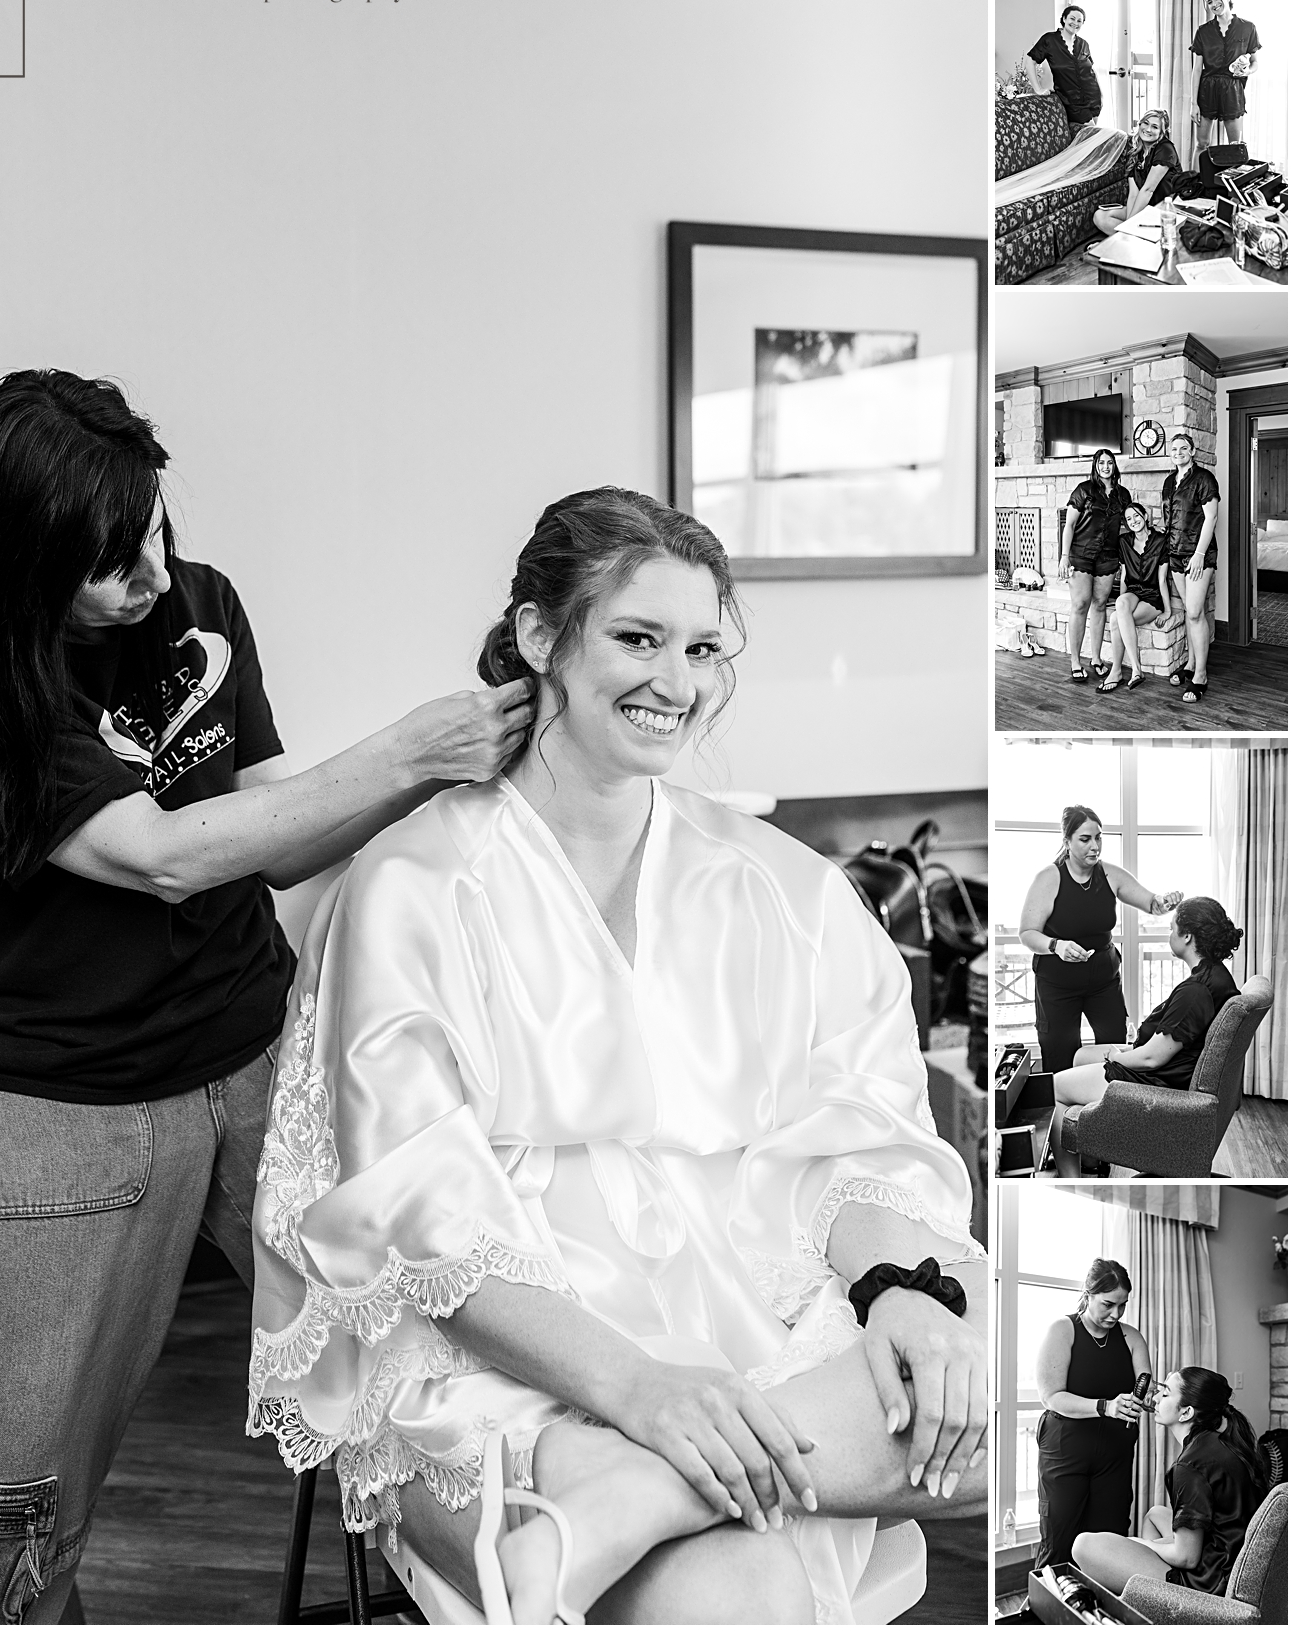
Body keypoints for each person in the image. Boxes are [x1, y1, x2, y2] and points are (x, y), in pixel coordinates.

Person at [247, 487, 987, 1624]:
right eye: (638, 638)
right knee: (745, 1586)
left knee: (977, 1397)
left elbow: (861, 1125)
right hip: (510, 1341)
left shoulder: (781, 887)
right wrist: (639, 1389)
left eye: (701, 647)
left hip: (749, 1296)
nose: (678, 683)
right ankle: (635, 1481)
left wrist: (901, 1289)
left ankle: (636, 1497)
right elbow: (421, 1223)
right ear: (542, 635)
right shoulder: (414, 886)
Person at [0, 370, 533, 1622]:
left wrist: (444, 789)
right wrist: (412, 748)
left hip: (255, 1055)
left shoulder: (198, 607)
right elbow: (165, 854)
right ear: (16, 569)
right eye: (115, 565)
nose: (159, 578)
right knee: (9, 1489)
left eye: (159, 531)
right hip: (60, 1107)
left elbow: (273, 832)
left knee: (427, 1349)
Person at [1048, 898, 1242, 1176]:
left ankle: (1072, 1179)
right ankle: (1090, 1156)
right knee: (1080, 1056)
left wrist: (1118, 1057)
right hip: (1171, 1070)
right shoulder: (1217, 976)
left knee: (1053, 1087)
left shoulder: (1196, 992)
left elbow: (1152, 1058)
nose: (1169, 934)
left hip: (1156, 1082)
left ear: (1187, 936)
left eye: (1172, 928)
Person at [1073, 1367, 1270, 1600]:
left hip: (1209, 1583)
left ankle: (1166, 1602)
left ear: (1186, 1413)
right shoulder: (1222, 1444)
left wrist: (1143, 1544)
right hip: (1228, 1557)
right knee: (1155, 1514)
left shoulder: (1190, 1466)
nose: (1155, 1398)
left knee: (1083, 1545)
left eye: (1165, 1394)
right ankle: (1149, 1602)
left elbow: (1186, 1557)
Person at [1017, 806, 1182, 1075]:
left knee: (1116, 1048)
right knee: (1060, 1055)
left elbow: (1152, 904)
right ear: (1067, 841)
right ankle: (1065, 1113)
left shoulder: (1110, 874)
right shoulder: (1049, 878)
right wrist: (1056, 946)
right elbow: (1027, 933)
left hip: (1103, 982)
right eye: (1085, 839)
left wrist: (1166, 902)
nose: (1095, 846)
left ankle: (1110, 1110)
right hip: (1058, 985)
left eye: (1099, 837)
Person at [1034, 1259, 1150, 1573]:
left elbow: (1144, 1383)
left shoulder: (1131, 1338)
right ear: (1089, 1294)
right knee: (1059, 1539)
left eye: (1122, 1306)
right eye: (1108, 1304)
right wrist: (1106, 1406)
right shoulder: (1063, 1330)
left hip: (1115, 1453)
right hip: (1066, 1448)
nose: (1115, 1314)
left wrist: (1147, 1399)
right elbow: (1052, 1397)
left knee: (1110, 1541)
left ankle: (1100, 1615)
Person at [1058, 450, 1133, 684]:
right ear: (1095, 465)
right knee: (1080, 605)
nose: (1106, 466)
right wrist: (1063, 556)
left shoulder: (1123, 495)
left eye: (1110, 462)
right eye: (1101, 463)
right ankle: (1075, 661)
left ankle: (1097, 659)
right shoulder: (1084, 490)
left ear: (1115, 466)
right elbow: (1069, 525)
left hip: (1108, 558)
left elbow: (1130, 522)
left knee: (1100, 605)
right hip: (1080, 555)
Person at [1161, 433, 1220, 704]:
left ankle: (1201, 676)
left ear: (1193, 451)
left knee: (1196, 613)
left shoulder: (1204, 479)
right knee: (1188, 612)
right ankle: (1190, 664)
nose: (1179, 452)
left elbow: (1212, 517)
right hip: (1174, 555)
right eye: (1174, 449)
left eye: (1184, 448)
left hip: (1198, 556)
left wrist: (1198, 554)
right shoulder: (1168, 482)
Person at [1096, 502, 1172, 694]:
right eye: (1129, 519)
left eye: (1137, 516)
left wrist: (1168, 610)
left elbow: (1162, 580)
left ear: (1146, 517)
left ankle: (1117, 671)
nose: (1133, 521)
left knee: (1114, 620)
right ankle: (1135, 670)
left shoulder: (1161, 540)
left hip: (1152, 596)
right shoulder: (1123, 541)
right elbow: (1123, 576)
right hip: (1133, 592)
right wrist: (1124, 608)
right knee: (1120, 606)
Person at [1191, 0, 1261, 157]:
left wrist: (1247, 72)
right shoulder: (1203, 31)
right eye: (1209, 2)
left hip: (1233, 91)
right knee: (1202, 144)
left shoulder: (1248, 28)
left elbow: (1255, 62)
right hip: (1207, 90)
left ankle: (1231, 184)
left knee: (1235, 146)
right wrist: (1194, 104)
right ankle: (1195, 183)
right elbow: (1197, 69)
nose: (1213, 4)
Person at [1092, 110, 1182, 237]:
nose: (1148, 129)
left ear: (1162, 133)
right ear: (1139, 124)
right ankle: (1130, 238)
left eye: (1155, 127)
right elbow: (1134, 194)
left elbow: (1147, 190)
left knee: (1130, 225)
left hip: (1163, 211)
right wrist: (1130, 223)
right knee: (1100, 216)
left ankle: (1124, 240)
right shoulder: (1135, 152)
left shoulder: (1165, 149)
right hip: (1145, 208)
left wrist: (1129, 224)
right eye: (1146, 123)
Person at [1026, 5, 1103, 130]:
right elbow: (1030, 62)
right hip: (1071, 100)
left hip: (1093, 97)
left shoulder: (1084, 44)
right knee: (1091, 134)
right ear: (1064, 19)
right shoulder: (1049, 40)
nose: (1075, 23)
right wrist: (1038, 89)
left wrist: (1101, 95)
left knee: (1086, 139)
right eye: (1072, 19)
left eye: (1079, 21)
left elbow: (1091, 70)